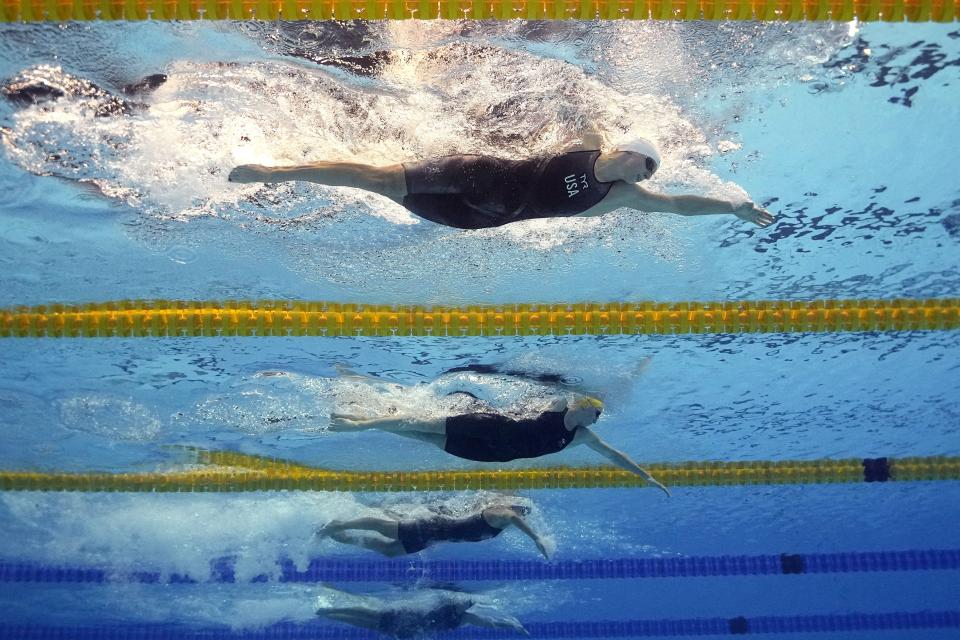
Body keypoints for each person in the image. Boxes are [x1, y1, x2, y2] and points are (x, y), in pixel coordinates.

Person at [227, 127, 774, 230]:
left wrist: (732, 206)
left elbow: (677, 207)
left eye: (653, 170)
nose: (648, 173)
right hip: (479, 173)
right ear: (624, 150)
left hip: (472, 220)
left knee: (385, 194)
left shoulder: (620, 198)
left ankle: (315, 183)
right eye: (646, 162)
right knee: (381, 180)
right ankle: (276, 172)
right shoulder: (587, 143)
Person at [330, 394, 671, 496]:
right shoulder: (559, 405)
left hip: (493, 454)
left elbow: (613, 454)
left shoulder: (580, 437)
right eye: (597, 413)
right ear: (584, 408)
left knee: (420, 434)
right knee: (423, 424)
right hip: (491, 426)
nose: (599, 420)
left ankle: (372, 414)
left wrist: (645, 476)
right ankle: (359, 423)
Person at [317, 500, 550, 558]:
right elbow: (512, 516)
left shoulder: (498, 525)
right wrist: (536, 537)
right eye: (521, 512)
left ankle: (343, 536)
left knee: (389, 551)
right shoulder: (499, 514)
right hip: (430, 527)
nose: (520, 516)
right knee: (382, 527)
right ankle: (340, 525)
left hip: (432, 538)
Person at [315, 585, 528, 638]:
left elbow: (489, 623)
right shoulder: (446, 600)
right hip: (403, 618)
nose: (464, 604)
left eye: (467, 603)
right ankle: (332, 609)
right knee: (371, 614)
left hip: (408, 631)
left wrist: (512, 625)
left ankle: (331, 613)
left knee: (370, 623)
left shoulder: (466, 616)